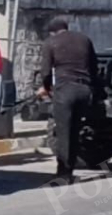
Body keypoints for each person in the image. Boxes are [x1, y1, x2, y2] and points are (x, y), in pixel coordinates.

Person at [36, 15, 100, 184]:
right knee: (75, 130)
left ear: (52, 32)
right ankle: (69, 171)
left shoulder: (51, 43)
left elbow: (46, 72)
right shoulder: (84, 39)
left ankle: (64, 173)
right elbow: (94, 67)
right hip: (84, 91)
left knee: (64, 133)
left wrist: (46, 88)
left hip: (65, 92)